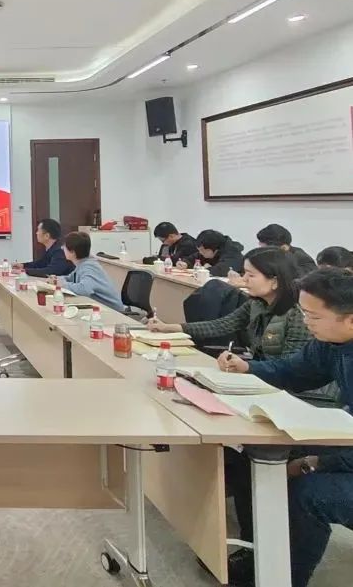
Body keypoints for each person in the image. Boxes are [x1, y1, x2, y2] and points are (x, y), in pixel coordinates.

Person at [216, 268, 353, 587]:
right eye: (303, 313)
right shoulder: (332, 342)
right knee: (253, 452)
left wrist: (315, 463)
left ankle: (284, 578)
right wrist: (247, 367)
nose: (306, 322)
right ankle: (258, 553)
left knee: (309, 493)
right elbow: (294, 371)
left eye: (313, 316)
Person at [150, 247, 311, 360]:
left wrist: (248, 368)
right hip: (262, 374)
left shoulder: (299, 315)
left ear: (275, 281)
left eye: (251, 275)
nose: (244, 279)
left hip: (294, 391)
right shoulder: (257, 304)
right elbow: (220, 325)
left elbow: (291, 368)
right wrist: (168, 327)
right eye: (244, 273)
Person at [49, 232, 123, 312]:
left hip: (112, 311)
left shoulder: (89, 267)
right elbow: (70, 278)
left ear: (72, 252)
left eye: (64, 246)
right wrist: (56, 279)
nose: (62, 248)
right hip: (99, 307)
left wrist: (62, 284)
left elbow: (84, 289)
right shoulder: (83, 263)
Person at [176, 229, 244, 276]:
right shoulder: (207, 250)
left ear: (214, 249)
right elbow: (194, 257)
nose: (200, 253)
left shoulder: (233, 253)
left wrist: (204, 269)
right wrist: (185, 263)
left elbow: (220, 270)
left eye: (203, 251)